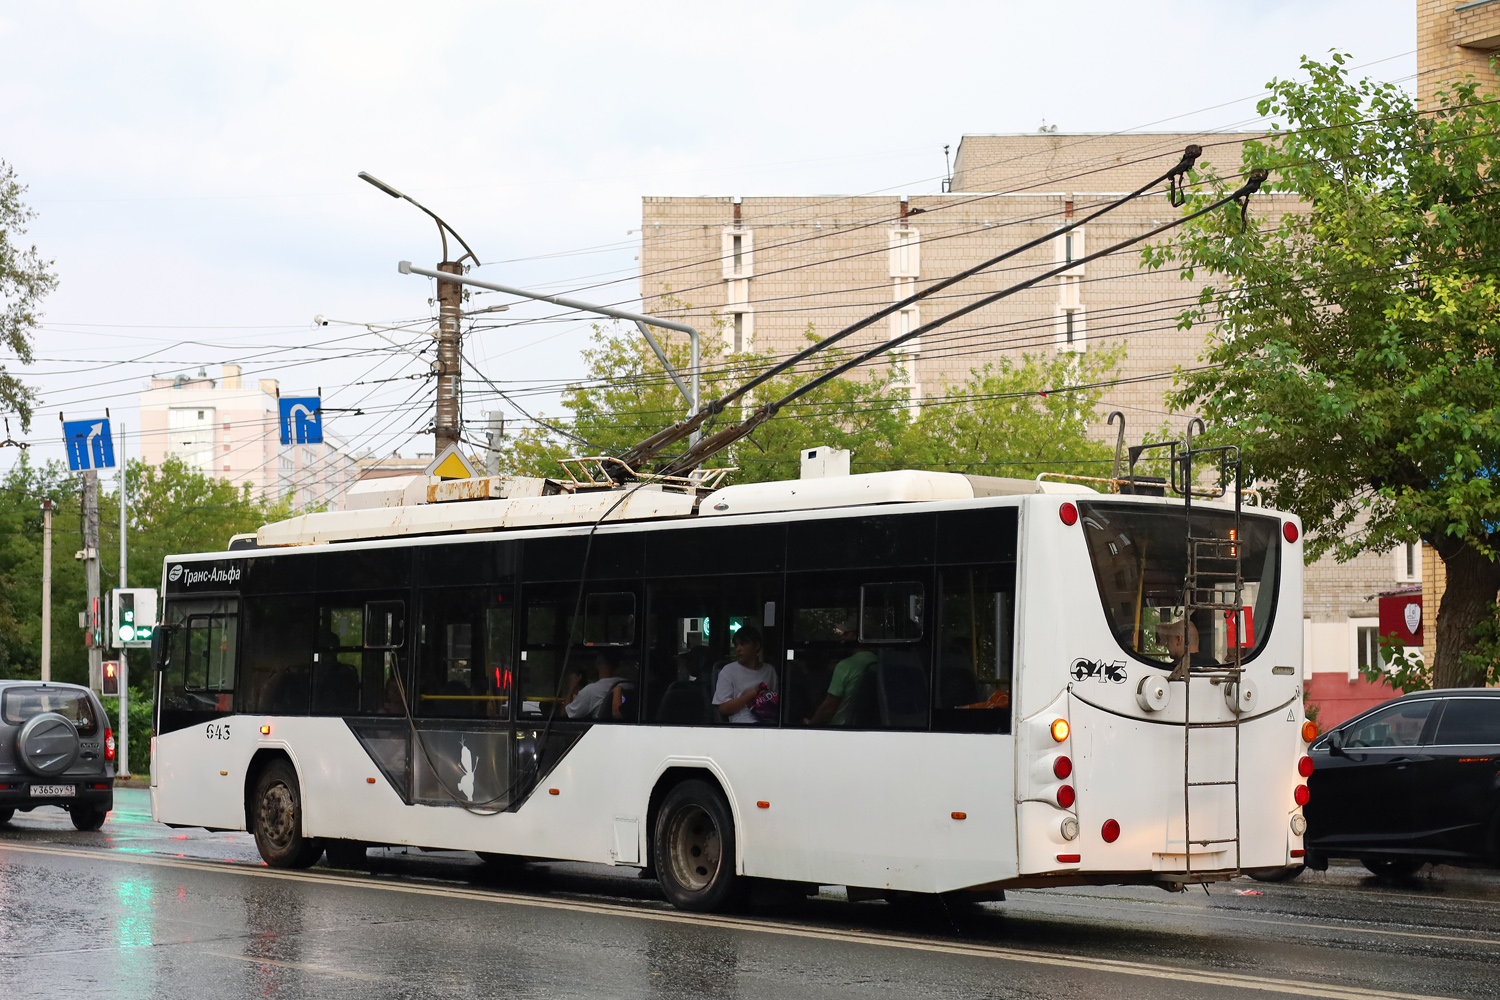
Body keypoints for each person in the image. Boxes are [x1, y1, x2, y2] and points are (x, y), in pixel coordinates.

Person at [805, 619, 877, 727]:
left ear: (858, 635)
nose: (842, 638)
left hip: (839, 728)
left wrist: (810, 724)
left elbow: (828, 708)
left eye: (846, 634)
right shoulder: (878, 661)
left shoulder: (846, 666)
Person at [712, 626, 777, 724]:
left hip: (770, 723)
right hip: (742, 725)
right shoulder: (728, 671)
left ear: (757, 645)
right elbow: (723, 709)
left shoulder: (770, 670)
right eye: (736, 645)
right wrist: (747, 697)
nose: (738, 649)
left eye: (743, 644)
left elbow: (776, 701)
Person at [564, 650, 627, 720]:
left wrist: (571, 687)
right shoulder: (627, 684)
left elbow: (565, 715)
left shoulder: (591, 691)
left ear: (598, 663)